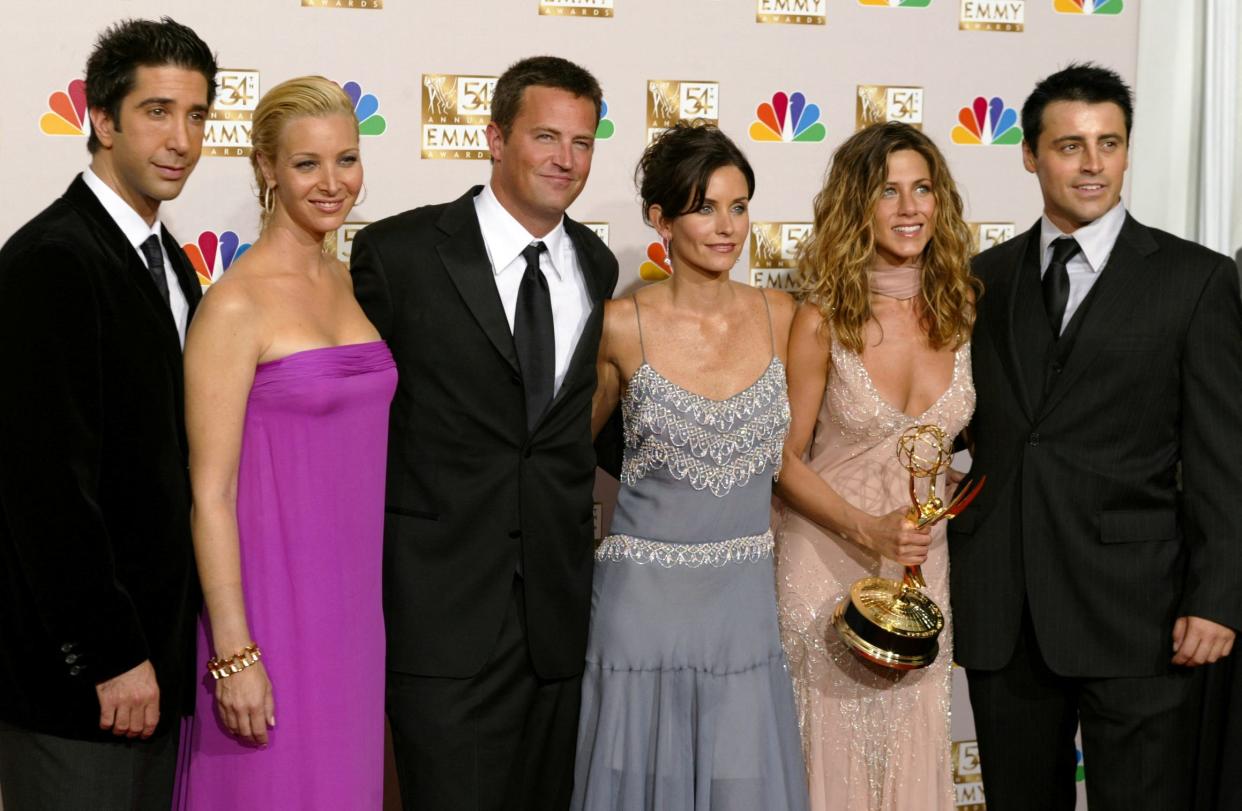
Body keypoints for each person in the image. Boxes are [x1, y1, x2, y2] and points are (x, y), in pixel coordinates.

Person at [950, 63, 1242, 810]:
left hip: (1138, 612)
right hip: (1005, 606)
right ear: (1029, 155)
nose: (1092, 164)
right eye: (1070, 145)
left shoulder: (1195, 279)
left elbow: (1222, 455)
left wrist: (1217, 596)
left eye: (1108, 144)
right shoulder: (981, 279)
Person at [350, 56, 618, 810]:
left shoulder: (596, 265)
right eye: (545, 136)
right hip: (441, 617)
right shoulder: (399, 256)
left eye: (583, 142)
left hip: (557, 624)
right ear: (496, 138)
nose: (566, 159)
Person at [0, 17, 215, 810]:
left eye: (196, 116)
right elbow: (44, 490)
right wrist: (108, 654)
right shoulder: (52, 260)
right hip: (83, 687)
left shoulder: (168, 265)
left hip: (156, 673)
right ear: (101, 119)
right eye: (157, 110)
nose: (181, 139)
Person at [572, 122, 808, 811]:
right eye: (705, 207)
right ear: (660, 219)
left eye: (738, 206)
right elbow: (564, 455)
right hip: (639, 608)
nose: (726, 226)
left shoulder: (783, 317)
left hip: (742, 606)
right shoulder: (619, 324)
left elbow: (805, 455)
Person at [178, 76, 394, 808]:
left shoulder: (347, 280)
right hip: (270, 608)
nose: (333, 183)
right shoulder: (235, 302)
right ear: (267, 167)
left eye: (347, 159)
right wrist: (235, 653)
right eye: (307, 163)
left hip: (354, 615)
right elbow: (209, 493)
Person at [774, 121, 979, 810]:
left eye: (922, 188)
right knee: (827, 754)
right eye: (888, 191)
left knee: (913, 747)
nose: (909, 207)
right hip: (826, 556)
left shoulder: (963, 309)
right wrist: (867, 528)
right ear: (857, 206)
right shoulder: (822, 317)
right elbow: (783, 458)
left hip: (922, 568)